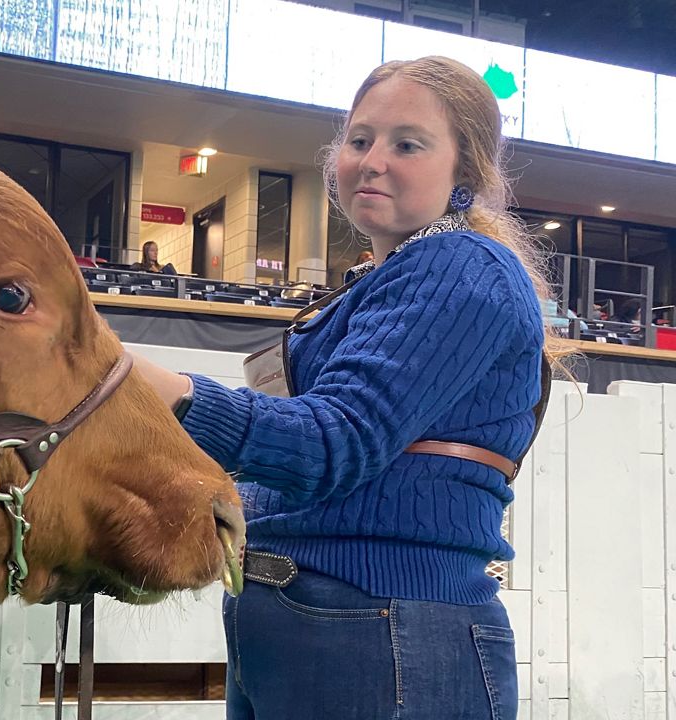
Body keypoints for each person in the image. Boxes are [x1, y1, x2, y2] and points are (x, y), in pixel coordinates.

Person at [133, 56, 563, 718]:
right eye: (359, 139)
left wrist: (164, 390)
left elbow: (335, 444)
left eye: (407, 144)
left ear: (465, 175)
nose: (372, 160)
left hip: (385, 626)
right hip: (308, 619)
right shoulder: (377, 282)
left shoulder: (462, 266)